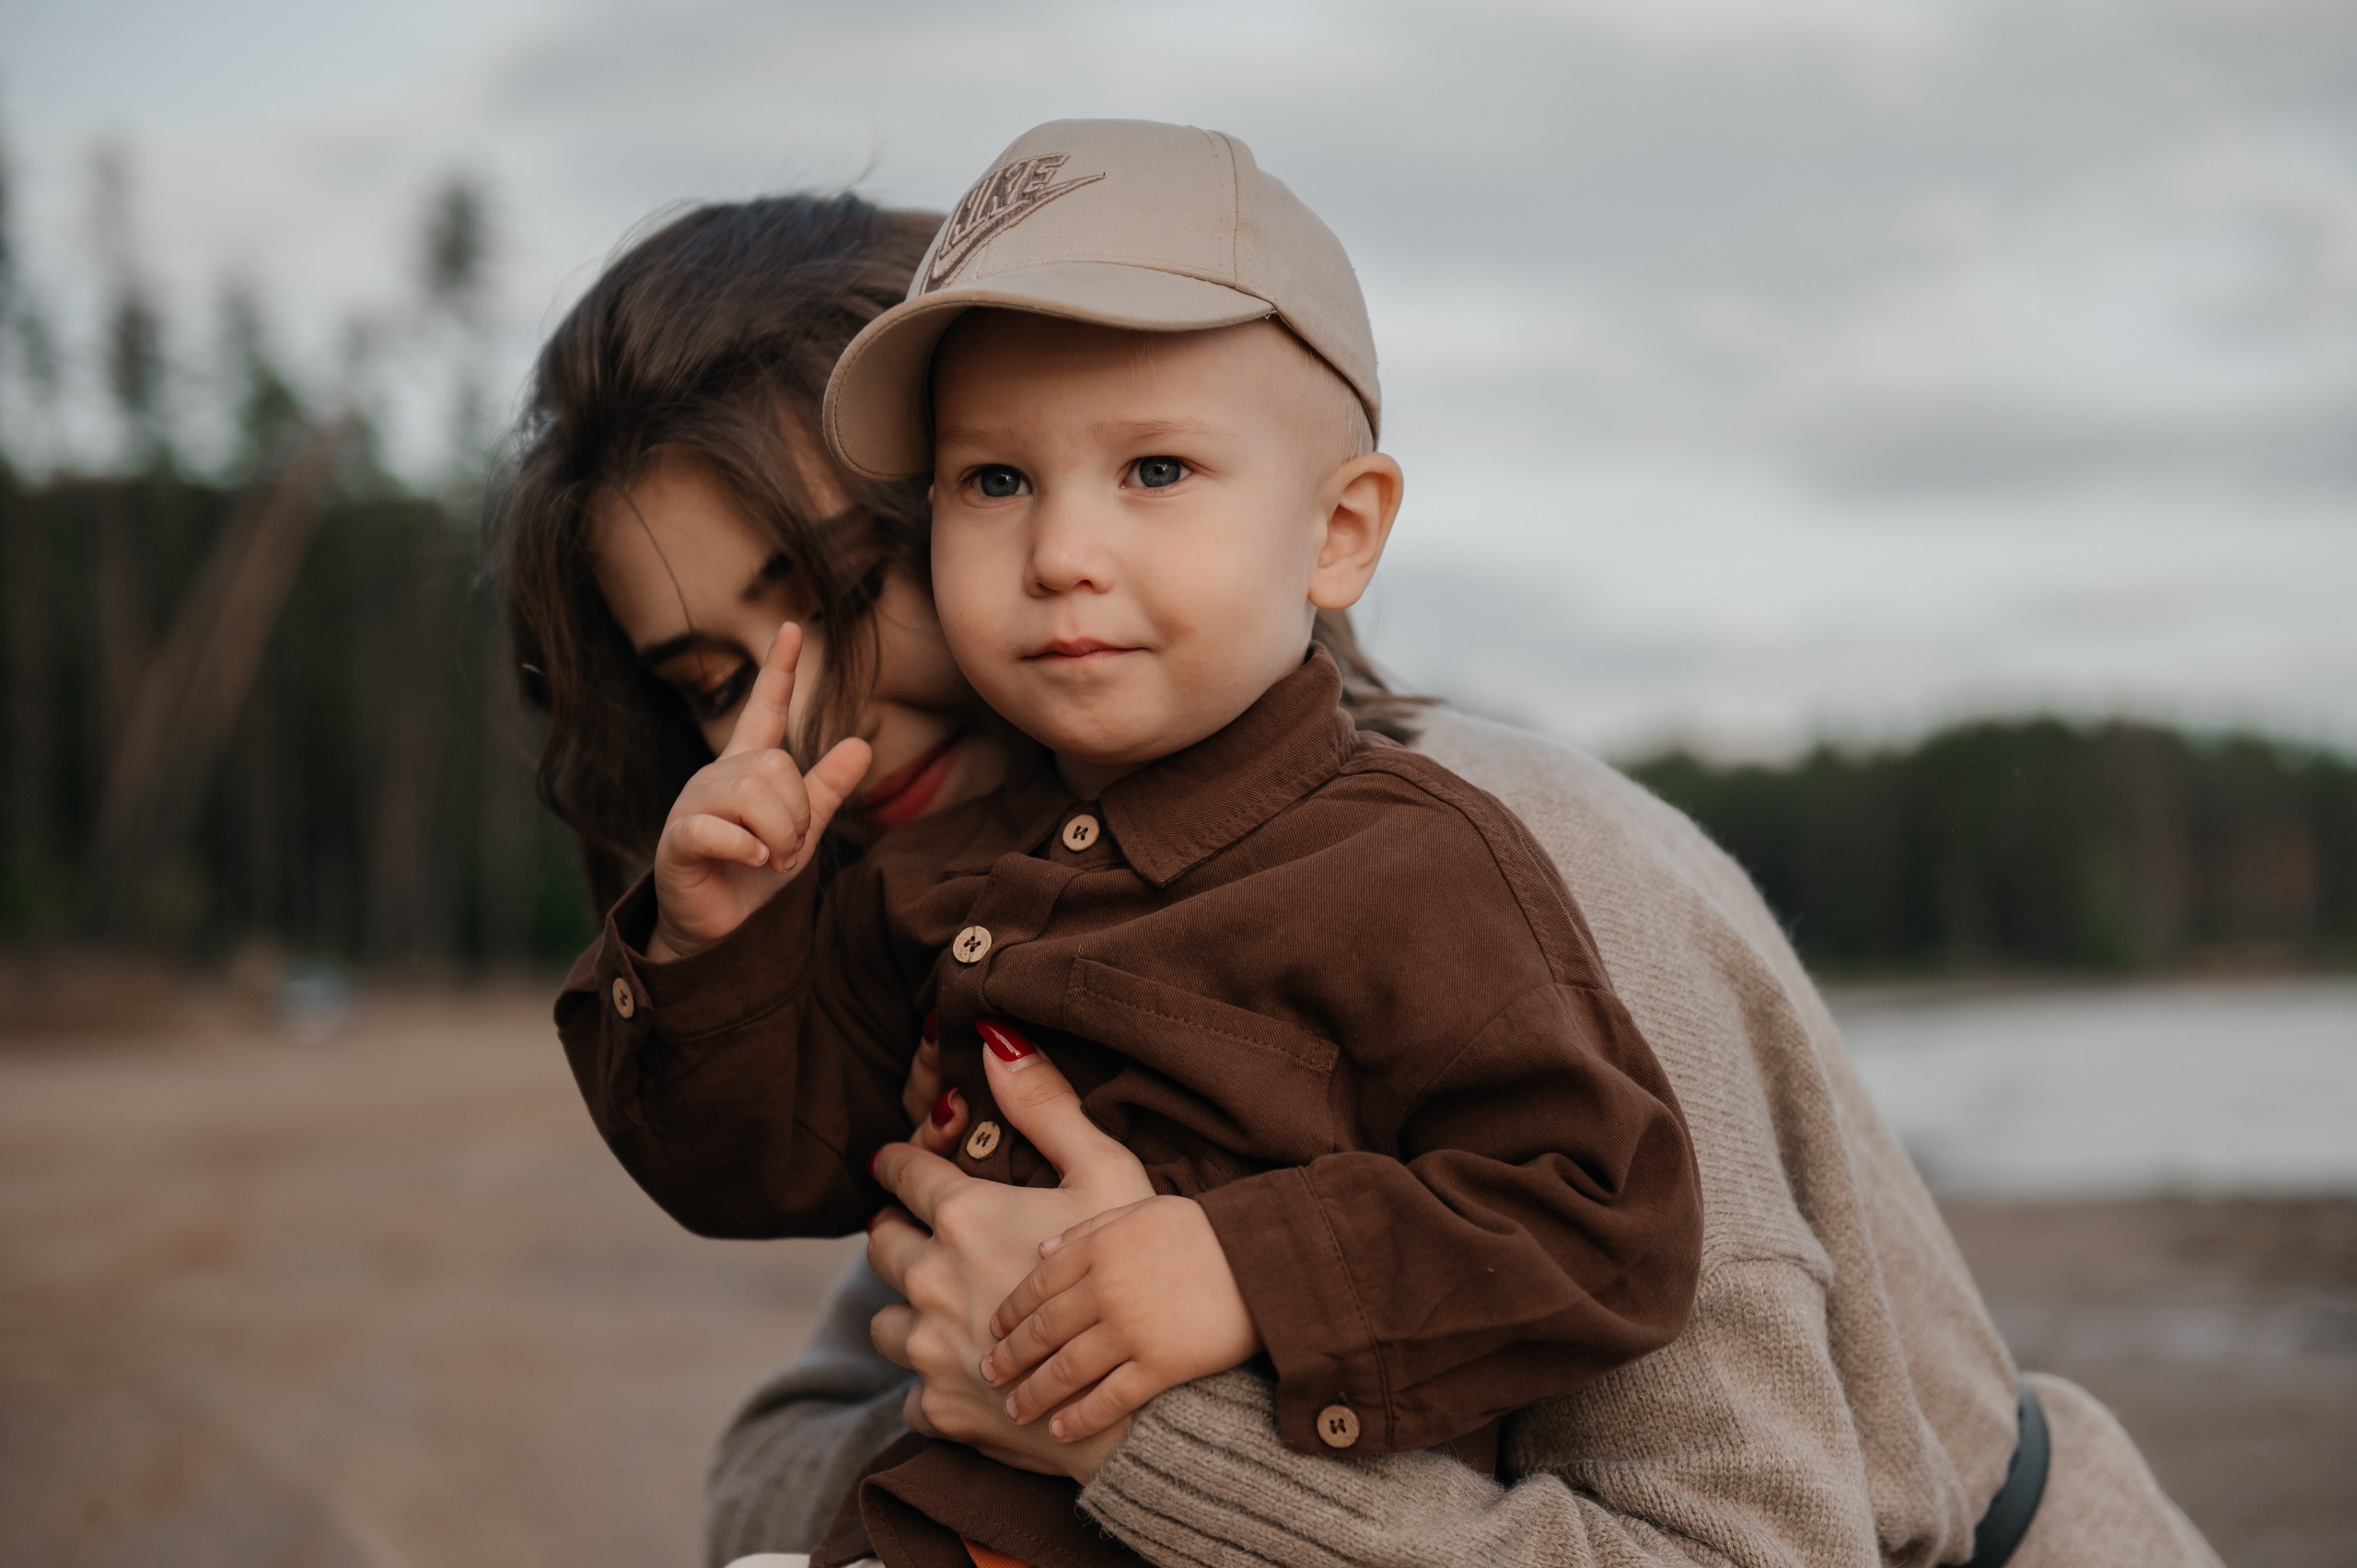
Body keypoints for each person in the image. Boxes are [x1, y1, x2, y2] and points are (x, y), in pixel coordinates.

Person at [493, 186, 2221, 1568]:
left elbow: (1753, 1544)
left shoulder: (1500, 868)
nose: (800, 722)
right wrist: (1030, 1372)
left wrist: (1125, 1435)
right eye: (716, 677)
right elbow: (790, 1452)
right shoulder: (1012, 914)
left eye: (849, 583)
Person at [552, 119, 1704, 1568]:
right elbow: (758, 1185)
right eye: (997, 485)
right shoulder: (939, 878)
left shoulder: (1457, 860)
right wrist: (708, 945)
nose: (1061, 556)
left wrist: (1226, 1284)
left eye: (1154, 471)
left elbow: (1611, 1229)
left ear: (1337, 530)